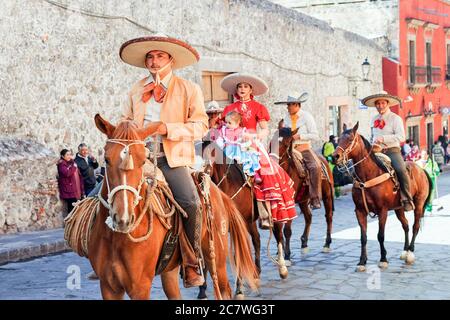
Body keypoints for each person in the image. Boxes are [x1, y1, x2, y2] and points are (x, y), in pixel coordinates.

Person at [119, 34, 208, 287]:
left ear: (170, 59)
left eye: (159, 56)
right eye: (150, 56)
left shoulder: (189, 89)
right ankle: (104, 254)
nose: (154, 61)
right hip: (139, 156)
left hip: (171, 158)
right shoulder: (136, 89)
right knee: (102, 195)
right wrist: (128, 128)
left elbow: (201, 125)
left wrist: (167, 129)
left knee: (190, 201)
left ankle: (192, 262)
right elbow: (124, 118)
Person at [219, 72, 297, 227]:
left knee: (262, 172)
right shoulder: (229, 108)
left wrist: (254, 137)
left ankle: (263, 211)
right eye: (239, 86)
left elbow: (264, 129)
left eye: (245, 86)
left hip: (250, 143)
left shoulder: (258, 107)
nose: (242, 89)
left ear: (251, 90)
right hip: (229, 143)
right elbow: (222, 127)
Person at [362, 90, 415, 211]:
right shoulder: (373, 119)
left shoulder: (395, 118)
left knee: (401, 169)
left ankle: (407, 198)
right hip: (376, 151)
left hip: (392, 150)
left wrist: (383, 138)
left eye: (382, 103)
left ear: (387, 104)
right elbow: (372, 135)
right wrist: (370, 143)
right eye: (378, 104)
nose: (380, 106)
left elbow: (401, 137)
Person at [276, 92, 322, 209]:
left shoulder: (307, 116)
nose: (287, 107)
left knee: (315, 167)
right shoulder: (286, 118)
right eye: (287, 105)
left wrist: (300, 136)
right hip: (288, 149)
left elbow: (315, 135)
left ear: (296, 105)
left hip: (304, 148)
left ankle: (315, 197)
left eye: (289, 105)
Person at [216, 111, 262, 183]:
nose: (227, 124)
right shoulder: (224, 130)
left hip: (240, 150)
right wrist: (221, 145)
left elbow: (248, 141)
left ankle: (253, 173)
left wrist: (244, 142)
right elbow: (220, 139)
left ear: (237, 123)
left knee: (250, 155)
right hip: (227, 150)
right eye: (226, 122)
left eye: (229, 123)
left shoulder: (242, 131)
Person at [57, 149, 84, 217]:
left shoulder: (72, 163)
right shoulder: (61, 164)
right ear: (63, 156)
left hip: (76, 189)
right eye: (67, 155)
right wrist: (74, 166)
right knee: (72, 209)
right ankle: (71, 224)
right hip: (69, 190)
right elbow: (67, 173)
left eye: (70, 155)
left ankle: (76, 224)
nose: (69, 156)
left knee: (78, 208)